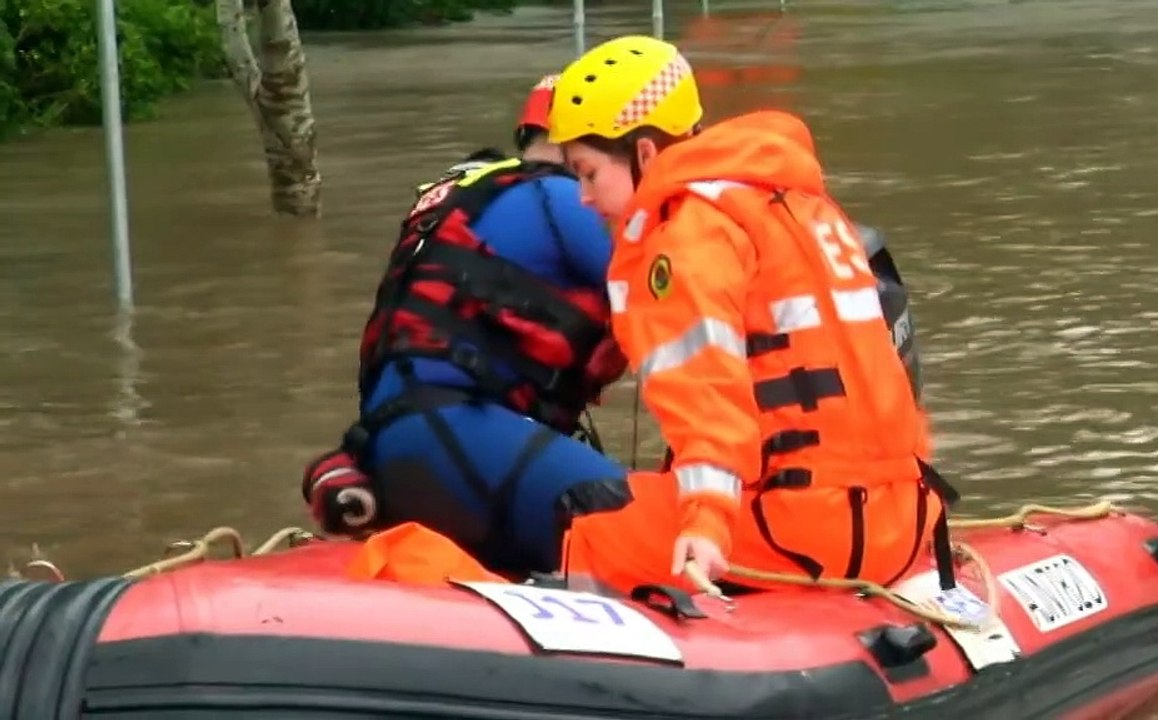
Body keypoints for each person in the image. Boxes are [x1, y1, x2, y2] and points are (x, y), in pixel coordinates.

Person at [545, 35, 960, 594]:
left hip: (803, 530)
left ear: (644, 153)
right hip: (903, 519)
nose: (583, 196)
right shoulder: (804, 205)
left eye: (588, 172)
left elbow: (706, 393)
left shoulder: (689, 234)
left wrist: (705, 521)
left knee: (587, 520)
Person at [300, 74, 633, 577]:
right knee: (659, 532)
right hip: (466, 442)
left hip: (391, 450)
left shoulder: (465, 195)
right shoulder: (562, 200)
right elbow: (682, 300)